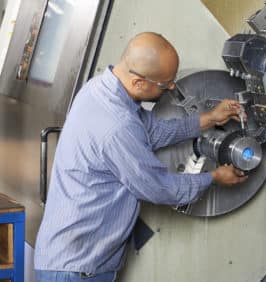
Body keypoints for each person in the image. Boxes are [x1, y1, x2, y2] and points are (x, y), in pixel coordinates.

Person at [34, 32, 248, 282]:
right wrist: (213, 177)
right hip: (78, 269)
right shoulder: (117, 126)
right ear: (138, 82)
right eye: (166, 83)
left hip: (71, 259)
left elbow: (153, 131)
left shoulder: (101, 90)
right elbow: (158, 187)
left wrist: (210, 118)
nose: (171, 88)